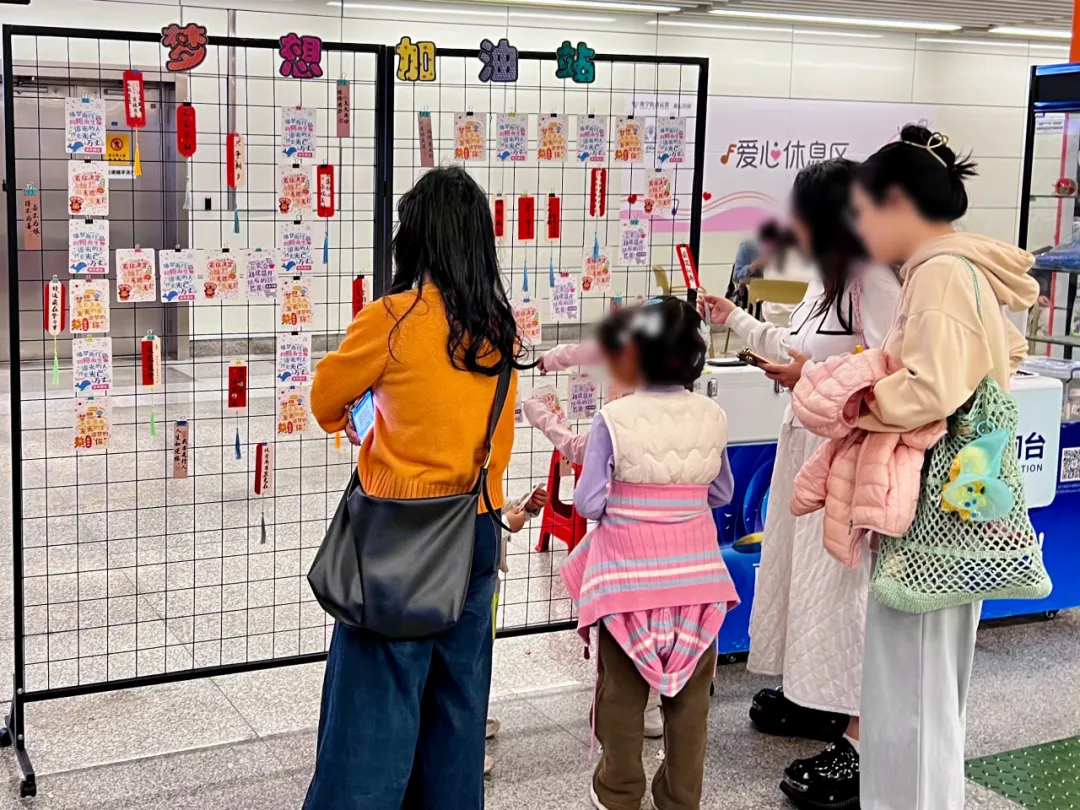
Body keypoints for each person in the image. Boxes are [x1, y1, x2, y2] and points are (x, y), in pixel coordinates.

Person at [303, 166, 523, 810]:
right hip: (476, 531)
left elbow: (325, 399)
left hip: (399, 540)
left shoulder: (392, 318)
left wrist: (361, 417)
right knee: (457, 713)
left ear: (414, 238)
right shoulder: (497, 328)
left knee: (373, 716)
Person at [700, 158, 902, 810]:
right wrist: (735, 318)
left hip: (847, 458)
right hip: (810, 451)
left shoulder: (873, 279)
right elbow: (797, 345)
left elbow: (890, 372)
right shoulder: (830, 278)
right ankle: (817, 695)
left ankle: (859, 737)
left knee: (843, 591)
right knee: (808, 581)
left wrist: (812, 382)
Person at [849, 125, 1038, 810]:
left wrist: (857, 399)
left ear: (898, 202)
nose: (860, 228)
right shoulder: (963, 269)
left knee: (912, 692)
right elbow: (1002, 355)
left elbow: (932, 387)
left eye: (864, 211)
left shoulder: (937, 273)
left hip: (932, 506)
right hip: (960, 498)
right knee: (926, 687)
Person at [560, 297, 740, 810]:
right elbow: (722, 491)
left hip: (627, 583)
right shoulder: (713, 415)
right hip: (698, 582)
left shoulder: (614, 419)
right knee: (690, 701)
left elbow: (588, 502)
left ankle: (618, 791)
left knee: (621, 695)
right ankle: (680, 796)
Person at [485, 487, 550, 777]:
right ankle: (459, 736)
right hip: (460, 586)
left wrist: (522, 505)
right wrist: (505, 524)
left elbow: (488, 504)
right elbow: (462, 527)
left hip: (484, 583)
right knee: (463, 664)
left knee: (478, 657)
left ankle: (469, 717)